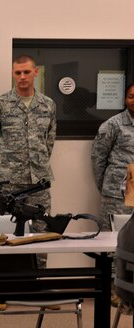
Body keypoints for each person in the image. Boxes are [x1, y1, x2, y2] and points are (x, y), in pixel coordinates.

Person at [0, 55, 56, 247]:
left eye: (27, 72)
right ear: (13, 74)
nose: (22, 77)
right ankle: (6, 276)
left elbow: (49, 139)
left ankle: (38, 273)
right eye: (18, 72)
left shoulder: (48, 105)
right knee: (2, 232)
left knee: (42, 231)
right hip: (7, 182)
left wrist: (38, 161)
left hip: (38, 181)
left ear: (35, 72)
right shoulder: (0, 105)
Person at [92, 82, 134, 308]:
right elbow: (98, 159)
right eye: (130, 96)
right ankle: (112, 290)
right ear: (125, 99)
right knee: (112, 241)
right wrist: (106, 187)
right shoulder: (113, 125)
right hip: (117, 193)